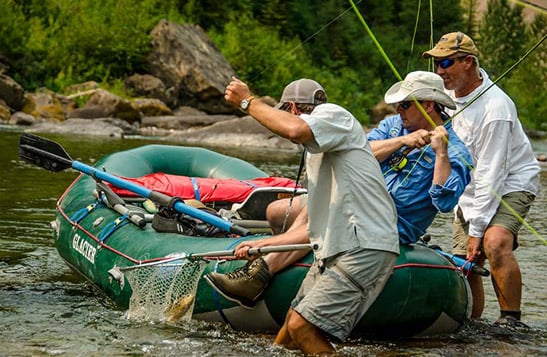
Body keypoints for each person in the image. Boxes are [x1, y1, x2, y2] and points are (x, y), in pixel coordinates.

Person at [205, 72, 472, 326]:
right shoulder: (394, 127)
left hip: (386, 223)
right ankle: (290, 265)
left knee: (326, 216)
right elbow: (358, 148)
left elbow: (444, 202)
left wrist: (441, 154)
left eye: (403, 105)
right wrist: (403, 141)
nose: (397, 111)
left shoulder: (457, 151)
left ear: (427, 105)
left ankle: (262, 270)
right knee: (277, 212)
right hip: (353, 198)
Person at [206, 77, 400, 355]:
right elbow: (308, 227)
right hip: (337, 250)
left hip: (364, 247)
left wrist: (247, 102)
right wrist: (262, 247)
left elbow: (295, 130)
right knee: (286, 336)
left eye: (284, 114)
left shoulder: (334, 115)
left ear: (294, 108)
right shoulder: (323, 152)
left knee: (302, 327)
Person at [423, 32, 541, 328]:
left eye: (446, 62)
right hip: (469, 187)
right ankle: (471, 324)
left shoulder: (496, 107)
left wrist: (476, 228)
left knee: (494, 241)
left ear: (469, 63)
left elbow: (492, 172)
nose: (440, 71)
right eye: (436, 63)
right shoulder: (444, 98)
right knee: (467, 264)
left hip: (511, 182)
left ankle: (510, 320)